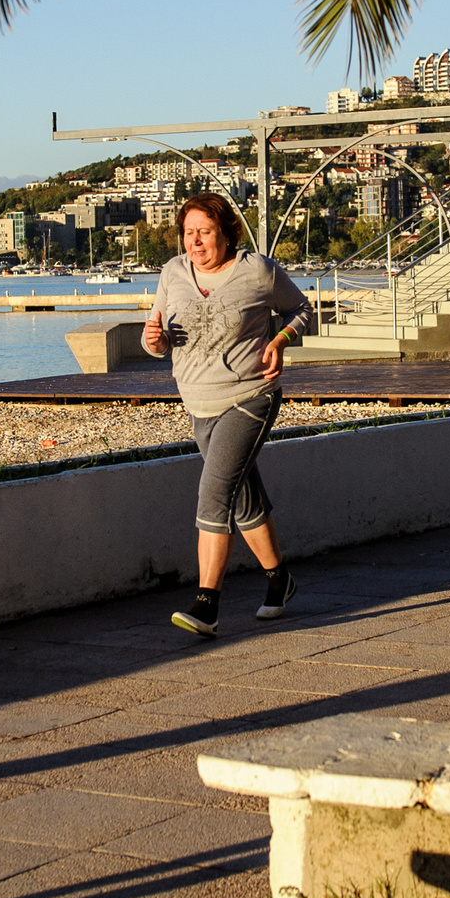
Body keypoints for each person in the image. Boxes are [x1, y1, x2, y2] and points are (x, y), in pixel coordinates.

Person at [143, 192, 312, 637]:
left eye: (205, 232)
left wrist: (281, 341)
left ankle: (207, 604)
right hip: (197, 402)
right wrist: (154, 342)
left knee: (214, 493)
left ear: (227, 233)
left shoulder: (256, 271)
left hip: (250, 396)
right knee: (241, 498)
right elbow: (155, 341)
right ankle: (280, 579)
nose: (195, 242)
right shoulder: (172, 273)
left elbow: (302, 310)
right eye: (188, 233)